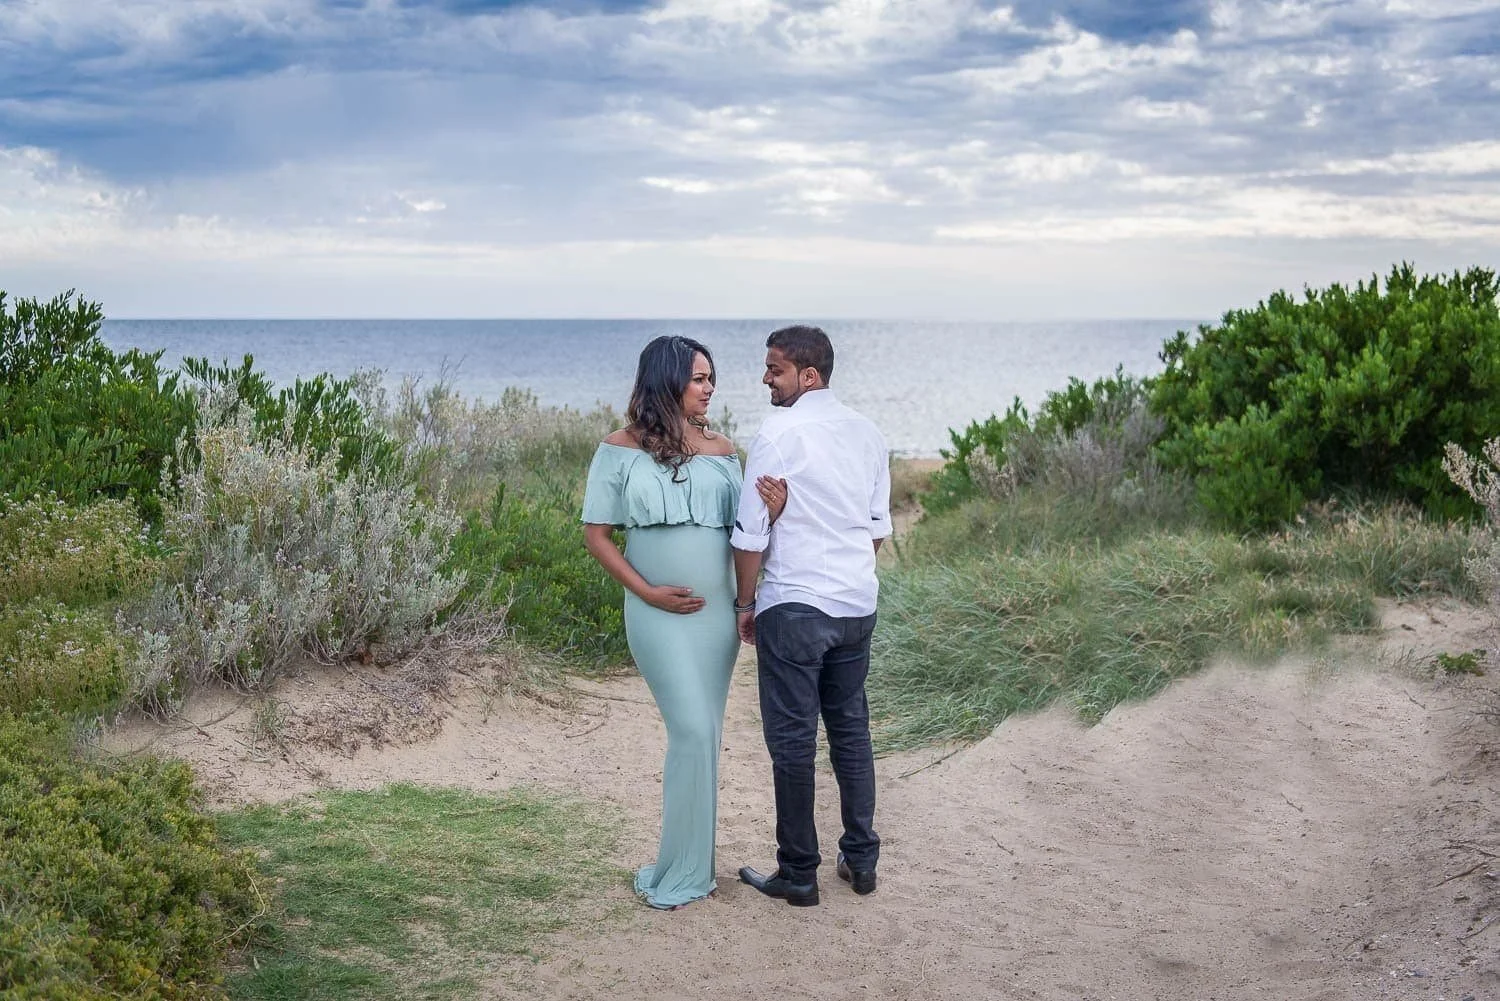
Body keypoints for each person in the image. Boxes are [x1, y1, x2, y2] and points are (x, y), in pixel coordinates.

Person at [581, 334, 784, 910]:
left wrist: (772, 515)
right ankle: (681, 869)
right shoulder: (617, 449)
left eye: (711, 377)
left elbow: (747, 537)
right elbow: (597, 536)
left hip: (716, 616)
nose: (709, 387)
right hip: (654, 614)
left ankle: (692, 864)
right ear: (666, 380)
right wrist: (647, 592)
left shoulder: (724, 450)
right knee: (692, 730)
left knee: (707, 735)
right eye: (698, 377)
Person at [731, 324, 892, 908]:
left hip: (794, 606)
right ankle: (862, 858)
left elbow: (749, 537)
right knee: (850, 731)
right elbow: (876, 531)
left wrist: (745, 603)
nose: (765, 378)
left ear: (809, 375)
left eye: (774, 369)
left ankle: (799, 873)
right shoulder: (869, 434)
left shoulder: (777, 433)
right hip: (855, 606)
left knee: (794, 740)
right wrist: (845, 577)